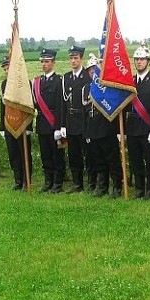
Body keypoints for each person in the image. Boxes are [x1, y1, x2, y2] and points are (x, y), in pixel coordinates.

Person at [124, 43, 150, 199]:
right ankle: (139, 189)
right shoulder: (129, 82)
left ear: (149, 62)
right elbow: (125, 106)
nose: (139, 62)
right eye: (136, 59)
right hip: (132, 127)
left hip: (147, 128)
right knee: (135, 160)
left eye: (142, 59)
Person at [83, 54, 121, 197]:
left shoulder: (107, 87)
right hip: (92, 128)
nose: (93, 73)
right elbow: (85, 112)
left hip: (106, 127)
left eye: (95, 69)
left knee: (112, 159)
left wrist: (117, 130)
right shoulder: (86, 88)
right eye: (90, 70)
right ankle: (102, 186)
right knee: (98, 160)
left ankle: (117, 186)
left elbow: (115, 109)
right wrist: (86, 132)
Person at [59, 44, 91, 193]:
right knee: (74, 154)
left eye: (76, 58)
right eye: (71, 58)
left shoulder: (87, 76)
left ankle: (91, 183)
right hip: (70, 120)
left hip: (84, 120)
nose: (73, 61)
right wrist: (63, 125)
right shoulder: (65, 78)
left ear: (81, 59)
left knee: (88, 153)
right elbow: (62, 103)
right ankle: (77, 183)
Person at [33, 48, 65, 193]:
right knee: (45, 154)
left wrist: (59, 127)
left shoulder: (59, 81)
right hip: (41, 123)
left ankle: (58, 183)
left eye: (47, 62)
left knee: (56, 155)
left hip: (53, 123)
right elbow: (35, 104)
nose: (44, 64)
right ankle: (48, 181)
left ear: (53, 63)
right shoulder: (37, 82)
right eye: (43, 62)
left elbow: (60, 105)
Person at [0, 56, 29, 190]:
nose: (6, 71)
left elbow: (29, 107)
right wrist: (2, 127)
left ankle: (26, 181)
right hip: (9, 124)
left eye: (8, 68)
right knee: (13, 154)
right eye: (4, 69)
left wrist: (29, 127)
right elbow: (2, 107)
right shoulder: (3, 85)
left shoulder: (23, 83)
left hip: (22, 124)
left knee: (24, 153)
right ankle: (18, 181)